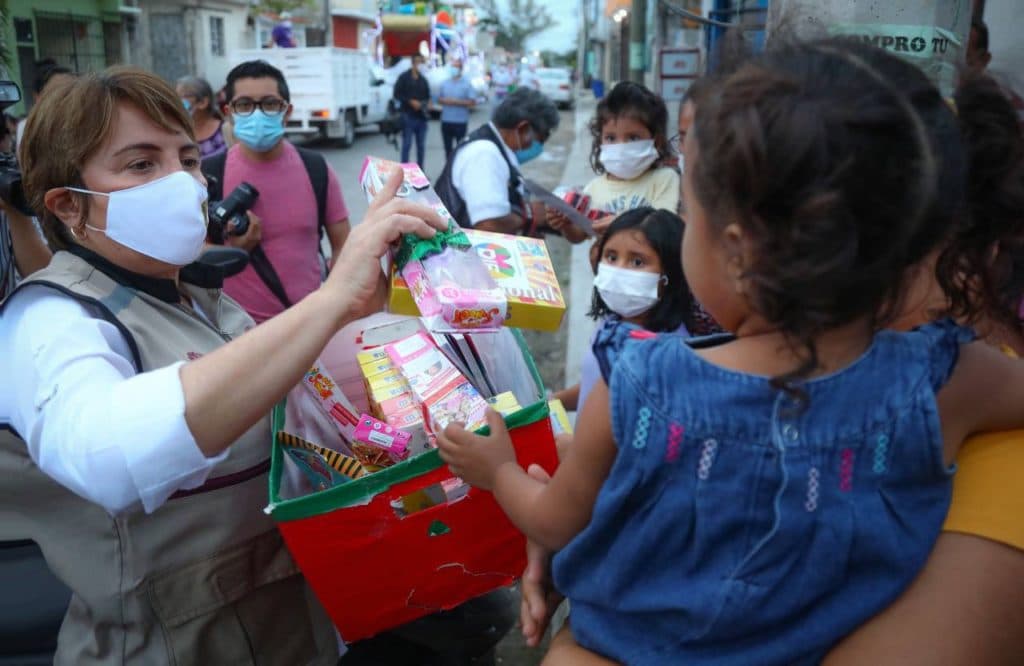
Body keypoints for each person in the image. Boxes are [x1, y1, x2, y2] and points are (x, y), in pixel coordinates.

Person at [437, 40, 1024, 664]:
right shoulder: (948, 378)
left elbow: (557, 524)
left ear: (737, 250)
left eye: (692, 214)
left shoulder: (634, 376)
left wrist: (498, 469)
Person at [0, 65, 445, 665]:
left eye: (185, 159)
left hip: (290, 624)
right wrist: (329, 300)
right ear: (69, 207)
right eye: (140, 164)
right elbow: (107, 455)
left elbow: (288, 397)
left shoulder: (198, 297)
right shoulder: (49, 320)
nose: (182, 182)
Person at [212, 59, 350, 323]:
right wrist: (233, 251)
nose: (257, 114)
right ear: (229, 113)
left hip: (309, 328)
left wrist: (334, 300)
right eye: (244, 105)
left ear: (287, 111)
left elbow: (343, 243)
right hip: (235, 335)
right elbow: (189, 255)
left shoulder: (316, 169)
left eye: (269, 104)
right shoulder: (210, 176)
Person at [551, 208, 694, 414]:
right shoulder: (613, 322)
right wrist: (551, 403)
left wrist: (575, 447)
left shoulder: (669, 356)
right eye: (611, 257)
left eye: (637, 261)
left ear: (670, 273)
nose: (619, 270)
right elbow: (598, 386)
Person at [434, 87, 560, 235]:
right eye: (541, 139)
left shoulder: (495, 146)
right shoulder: (484, 154)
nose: (539, 146)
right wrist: (529, 215)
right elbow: (489, 224)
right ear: (523, 128)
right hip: (461, 254)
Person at [580, 81, 679, 235]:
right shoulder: (593, 189)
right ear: (600, 140)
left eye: (633, 138)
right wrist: (565, 224)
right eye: (611, 138)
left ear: (657, 142)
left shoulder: (664, 179)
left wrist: (621, 223)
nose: (621, 147)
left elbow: (663, 226)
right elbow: (581, 233)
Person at [16, 59, 73, 148]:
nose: (66, 97)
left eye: (71, 91)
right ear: (38, 97)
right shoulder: (28, 128)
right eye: (58, 92)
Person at [176, 75, 227, 159]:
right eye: (177, 96)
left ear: (203, 102)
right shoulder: (177, 133)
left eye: (184, 96)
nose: (178, 101)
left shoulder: (225, 131)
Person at [394, 55, 431, 169]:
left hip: (421, 117)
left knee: (421, 146)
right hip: (408, 116)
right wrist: (410, 101)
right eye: (419, 62)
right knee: (407, 145)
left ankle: (420, 171)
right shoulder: (404, 78)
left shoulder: (423, 80)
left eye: (422, 62)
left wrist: (427, 104)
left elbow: (428, 96)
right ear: (413, 63)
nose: (420, 65)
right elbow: (397, 94)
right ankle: (404, 172)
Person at [438, 58, 477, 159]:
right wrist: (445, 101)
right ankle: (448, 172)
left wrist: (456, 102)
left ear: (460, 69)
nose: (454, 69)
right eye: (452, 67)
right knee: (448, 149)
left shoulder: (467, 84)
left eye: (456, 67)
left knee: (460, 149)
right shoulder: (444, 83)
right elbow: (439, 99)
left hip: (460, 122)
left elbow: (472, 102)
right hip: (446, 120)